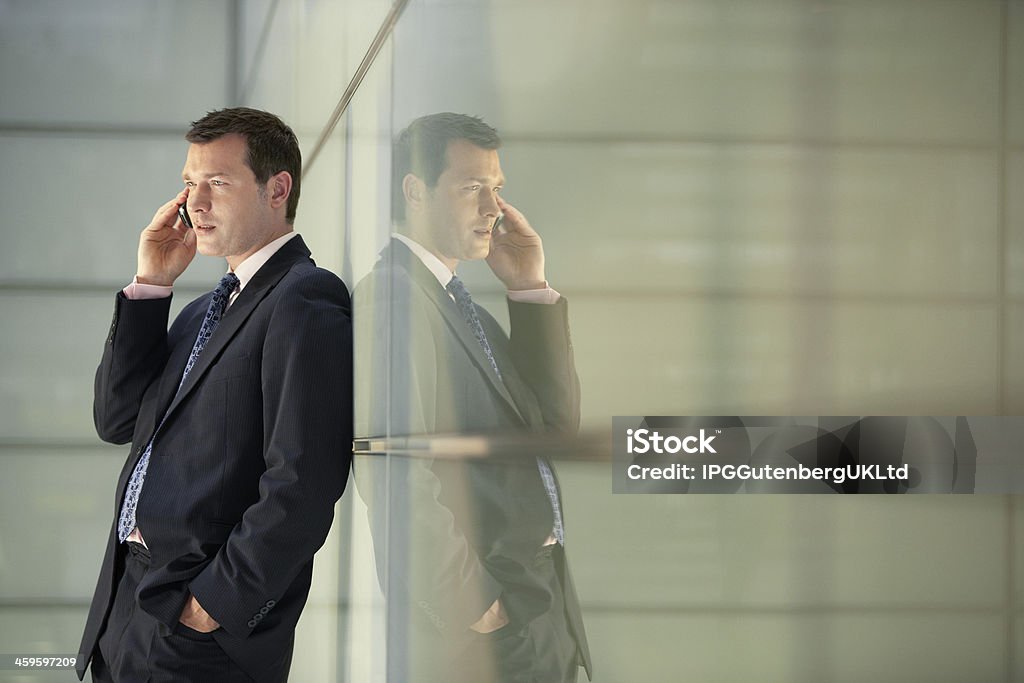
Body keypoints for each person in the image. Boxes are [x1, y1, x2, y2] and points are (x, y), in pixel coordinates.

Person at [76, 107, 353, 683]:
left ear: (278, 189)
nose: (194, 203)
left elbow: (305, 480)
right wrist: (152, 285)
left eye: (218, 183)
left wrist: (213, 607)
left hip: (198, 630)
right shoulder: (205, 310)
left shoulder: (304, 297)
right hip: (127, 604)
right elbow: (116, 418)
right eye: (188, 183)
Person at [354, 112, 592, 682]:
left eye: (497, 189)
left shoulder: (464, 310)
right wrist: (478, 611)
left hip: (533, 607)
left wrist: (529, 289)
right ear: (416, 191)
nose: (493, 208)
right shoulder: (393, 301)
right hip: (485, 634)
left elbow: (553, 428)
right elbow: (391, 472)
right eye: (471, 188)